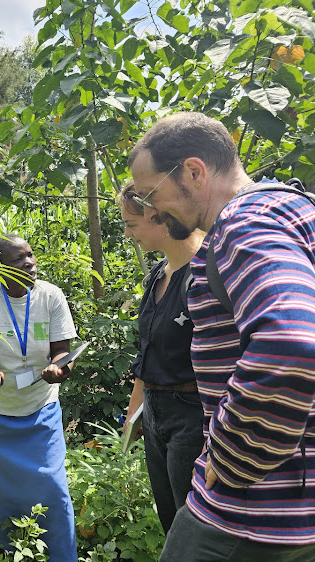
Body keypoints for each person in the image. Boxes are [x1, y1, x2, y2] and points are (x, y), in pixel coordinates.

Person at [128, 111, 315, 561]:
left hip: (251, 510)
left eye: (152, 193)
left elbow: (290, 343)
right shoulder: (295, 212)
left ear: (194, 171)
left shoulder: (244, 224)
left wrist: (232, 458)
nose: (151, 211)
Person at [0, 234, 78, 561]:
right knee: (0, 491)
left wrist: (59, 369)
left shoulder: (50, 296)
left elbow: (62, 351)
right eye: (18, 259)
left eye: (30, 255)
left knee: (53, 489)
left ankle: (61, 554)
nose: (29, 263)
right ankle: (9, 552)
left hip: (40, 408)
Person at [118, 182, 205, 535]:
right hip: (154, 411)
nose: (127, 234)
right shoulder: (157, 274)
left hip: (191, 413)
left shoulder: (203, 275)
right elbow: (148, 350)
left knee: (192, 522)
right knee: (169, 515)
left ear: (159, 218)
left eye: (132, 224)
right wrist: (134, 413)